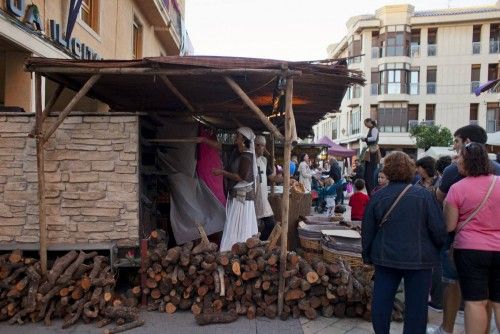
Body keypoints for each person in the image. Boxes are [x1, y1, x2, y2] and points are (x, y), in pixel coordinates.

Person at [362, 151, 446, 334]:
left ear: (387, 171)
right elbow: (438, 229)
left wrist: (367, 256)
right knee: (417, 307)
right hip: (419, 259)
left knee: (382, 302)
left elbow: (367, 230)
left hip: (386, 257)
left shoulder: (377, 196)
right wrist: (438, 249)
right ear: (411, 169)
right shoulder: (425, 196)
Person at [433, 125, 500, 334]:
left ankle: (449, 328)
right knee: (497, 301)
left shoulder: (457, 187)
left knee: (474, 301)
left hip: (469, 250)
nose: (456, 161)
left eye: (460, 158)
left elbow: (450, 225)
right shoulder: (498, 180)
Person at [211, 127, 259, 252]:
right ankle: (234, 249)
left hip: (242, 198)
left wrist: (222, 172)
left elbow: (240, 177)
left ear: (243, 138)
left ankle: (238, 249)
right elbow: (220, 146)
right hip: (236, 196)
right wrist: (203, 140)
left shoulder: (247, 155)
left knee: (240, 225)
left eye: (237, 135)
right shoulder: (236, 150)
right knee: (234, 225)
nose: (235, 137)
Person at [254, 135, 279, 241]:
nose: (263, 148)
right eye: (260, 146)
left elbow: (272, 177)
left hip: (263, 197)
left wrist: (286, 179)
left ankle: (260, 243)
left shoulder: (263, 160)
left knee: (270, 224)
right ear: (255, 146)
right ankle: (257, 244)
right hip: (254, 196)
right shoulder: (250, 159)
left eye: (264, 146)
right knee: (262, 224)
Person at [363, 118, 381, 194]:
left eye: (366, 124)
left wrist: (365, 139)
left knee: (370, 171)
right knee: (368, 171)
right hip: (371, 150)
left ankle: (371, 190)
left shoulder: (374, 129)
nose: (366, 126)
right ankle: (370, 189)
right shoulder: (372, 129)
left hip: (373, 150)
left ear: (370, 122)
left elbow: (373, 138)